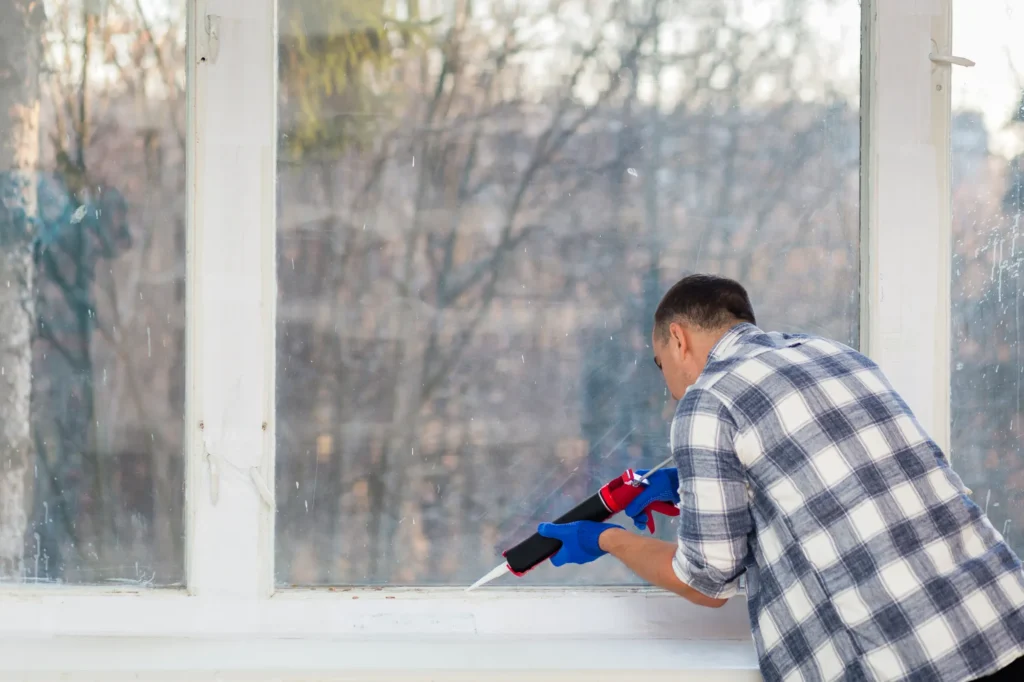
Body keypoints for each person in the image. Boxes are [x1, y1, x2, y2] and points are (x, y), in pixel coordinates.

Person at [537, 274, 1024, 682]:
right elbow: (830, 486)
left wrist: (607, 540)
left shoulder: (708, 400)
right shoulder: (834, 355)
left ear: (679, 338)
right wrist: (691, 489)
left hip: (910, 660)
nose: (669, 389)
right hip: (1002, 619)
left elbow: (706, 582)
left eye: (661, 364)